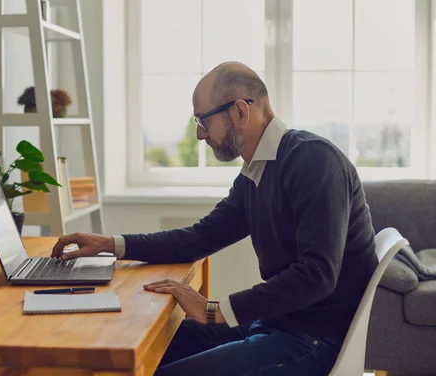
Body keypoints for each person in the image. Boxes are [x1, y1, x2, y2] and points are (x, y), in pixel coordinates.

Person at [51, 61, 378, 376]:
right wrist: (110, 244)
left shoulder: (314, 161)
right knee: (133, 346)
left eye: (203, 120)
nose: (199, 135)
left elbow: (317, 275)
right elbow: (199, 237)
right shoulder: (255, 173)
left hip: (312, 341)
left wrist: (217, 310)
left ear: (240, 111)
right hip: (274, 323)